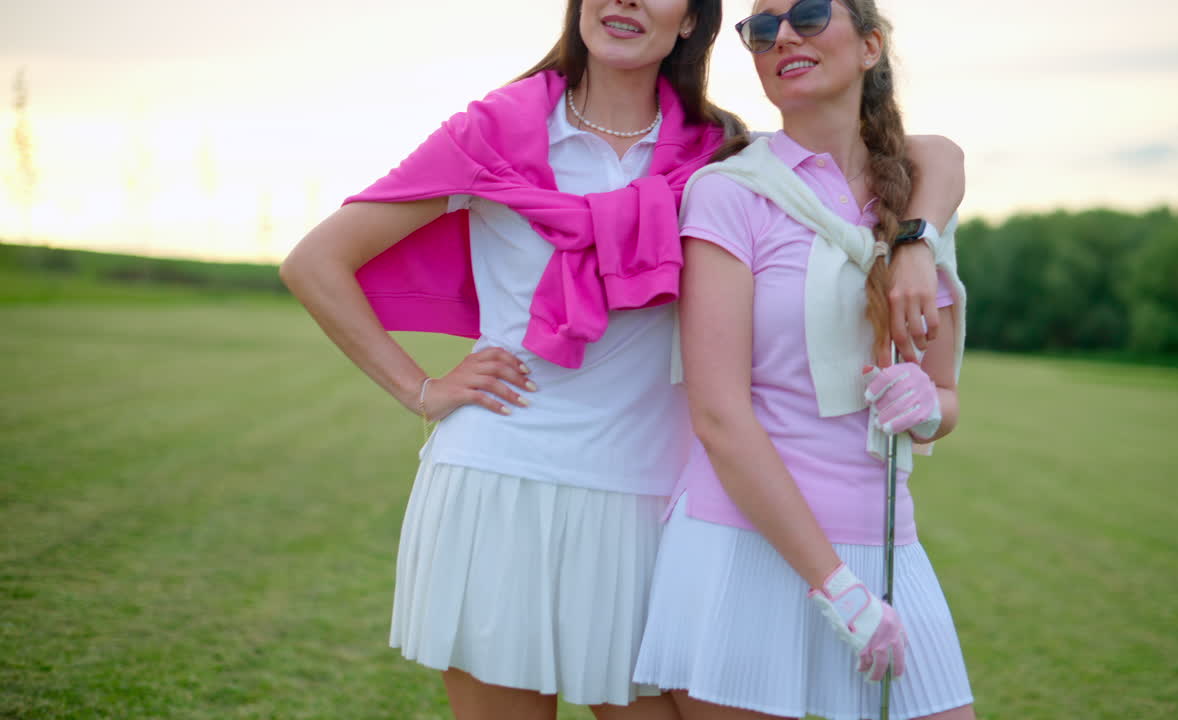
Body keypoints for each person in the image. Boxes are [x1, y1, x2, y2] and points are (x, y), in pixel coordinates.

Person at [279, 0, 964, 718]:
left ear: (692, 21)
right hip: (498, 484)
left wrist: (916, 240)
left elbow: (932, 156)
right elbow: (316, 262)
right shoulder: (491, 132)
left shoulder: (719, 150)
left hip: (648, 500)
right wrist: (420, 389)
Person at [632, 1, 975, 719]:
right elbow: (720, 416)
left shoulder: (918, 205)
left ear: (871, 45)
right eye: (761, 30)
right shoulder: (729, 193)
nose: (782, 35)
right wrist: (834, 587)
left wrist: (925, 404)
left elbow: (945, 402)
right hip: (741, 544)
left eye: (810, 14)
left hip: (884, 545)